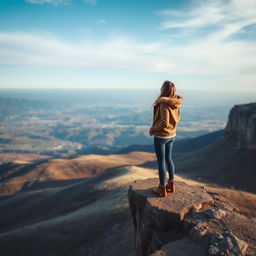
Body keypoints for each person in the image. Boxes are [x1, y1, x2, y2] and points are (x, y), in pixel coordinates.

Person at [149, 80, 184, 197]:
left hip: (161, 136)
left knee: (161, 161)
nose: (159, 90)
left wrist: (153, 129)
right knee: (169, 159)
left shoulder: (164, 103)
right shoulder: (176, 103)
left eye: (161, 88)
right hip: (172, 135)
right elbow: (177, 119)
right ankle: (171, 184)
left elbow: (164, 123)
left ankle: (162, 188)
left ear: (164, 90)